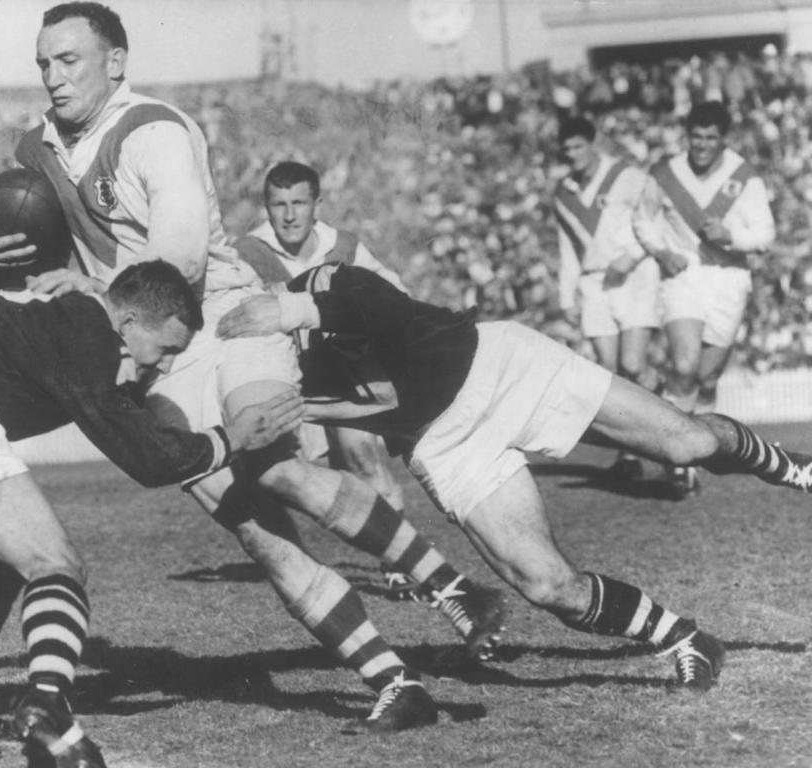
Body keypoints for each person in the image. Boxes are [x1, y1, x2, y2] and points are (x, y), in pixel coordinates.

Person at [0, 2, 503, 733]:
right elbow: (32, 264)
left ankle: (451, 586)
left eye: (70, 60)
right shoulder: (37, 153)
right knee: (259, 532)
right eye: (44, 63)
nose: (53, 77)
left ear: (116, 61)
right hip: (154, 363)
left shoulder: (154, 132)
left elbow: (178, 264)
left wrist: (88, 288)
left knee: (273, 465)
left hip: (223, 317)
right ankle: (394, 681)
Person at [218, 262, 812, 692]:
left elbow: (385, 308)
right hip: (446, 444)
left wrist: (291, 308)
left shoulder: (312, 287)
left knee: (688, 440)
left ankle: (794, 470)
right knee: (547, 586)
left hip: (499, 365)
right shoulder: (253, 378)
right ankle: (686, 639)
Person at [0, 261, 304, 767]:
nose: (165, 365)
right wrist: (232, 438)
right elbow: (146, 459)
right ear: (126, 323)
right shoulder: (88, 327)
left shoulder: (64, 319)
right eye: (165, 348)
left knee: (0, 569)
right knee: (57, 566)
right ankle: (48, 707)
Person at [234, 160, 410, 596]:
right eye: (279, 204)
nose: (289, 215)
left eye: (299, 203)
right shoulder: (248, 255)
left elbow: (396, 297)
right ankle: (309, 562)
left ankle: (404, 560)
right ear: (267, 208)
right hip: (288, 379)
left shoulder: (345, 248)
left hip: (344, 373)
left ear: (317, 205)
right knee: (291, 476)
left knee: (363, 458)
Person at [633, 100, 775, 499]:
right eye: (696, 136)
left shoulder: (744, 178)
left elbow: (765, 233)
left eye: (711, 137)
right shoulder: (664, 174)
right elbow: (642, 219)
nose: (702, 144)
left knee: (707, 377)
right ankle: (676, 457)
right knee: (685, 364)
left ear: (722, 139)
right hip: (684, 277)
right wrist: (662, 252)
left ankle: (693, 444)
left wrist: (732, 236)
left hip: (729, 279)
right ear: (687, 135)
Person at [554, 117, 659, 482]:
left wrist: (630, 255)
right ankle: (629, 454)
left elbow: (652, 223)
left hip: (633, 277)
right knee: (610, 375)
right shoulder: (564, 193)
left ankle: (664, 413)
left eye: (578, 147)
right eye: (567, 150)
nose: (573, 155)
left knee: (634, 365)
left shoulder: (627, 176)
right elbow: (567, 249)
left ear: (592, 142)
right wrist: (566, 296)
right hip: (594, 283)